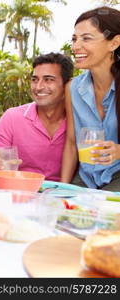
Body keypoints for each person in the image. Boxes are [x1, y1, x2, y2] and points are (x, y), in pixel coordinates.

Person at [0, 53, 74, 181]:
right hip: (19, 192)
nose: (38, 87)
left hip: (63, 196)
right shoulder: (12, 118)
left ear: (67, 84)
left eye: (49, 79)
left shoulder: (78, 120)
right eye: (35, 79)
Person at [61, 7, 120, 190]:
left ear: (114, 43)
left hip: (117, 175)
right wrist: (62, 189)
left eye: (86, 38)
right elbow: (72, 143)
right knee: (60, 214)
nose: (76, 46)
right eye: (75, 39)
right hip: (86, 178)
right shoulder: (73, 88)